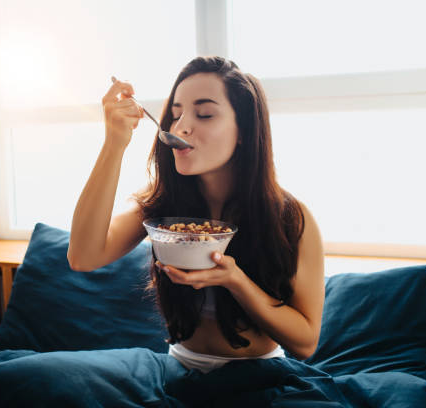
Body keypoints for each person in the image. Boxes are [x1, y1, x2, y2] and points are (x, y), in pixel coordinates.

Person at [68, 56, 325, 374]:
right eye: (175, 115)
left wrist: (235, 281)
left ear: (243, 130)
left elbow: (306, 342)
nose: (181, 126)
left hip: (262, 375)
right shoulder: (165, 203)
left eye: (204, 114)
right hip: (178, 371)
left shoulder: (289, 217)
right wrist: (114, 144)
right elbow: (83, 256)